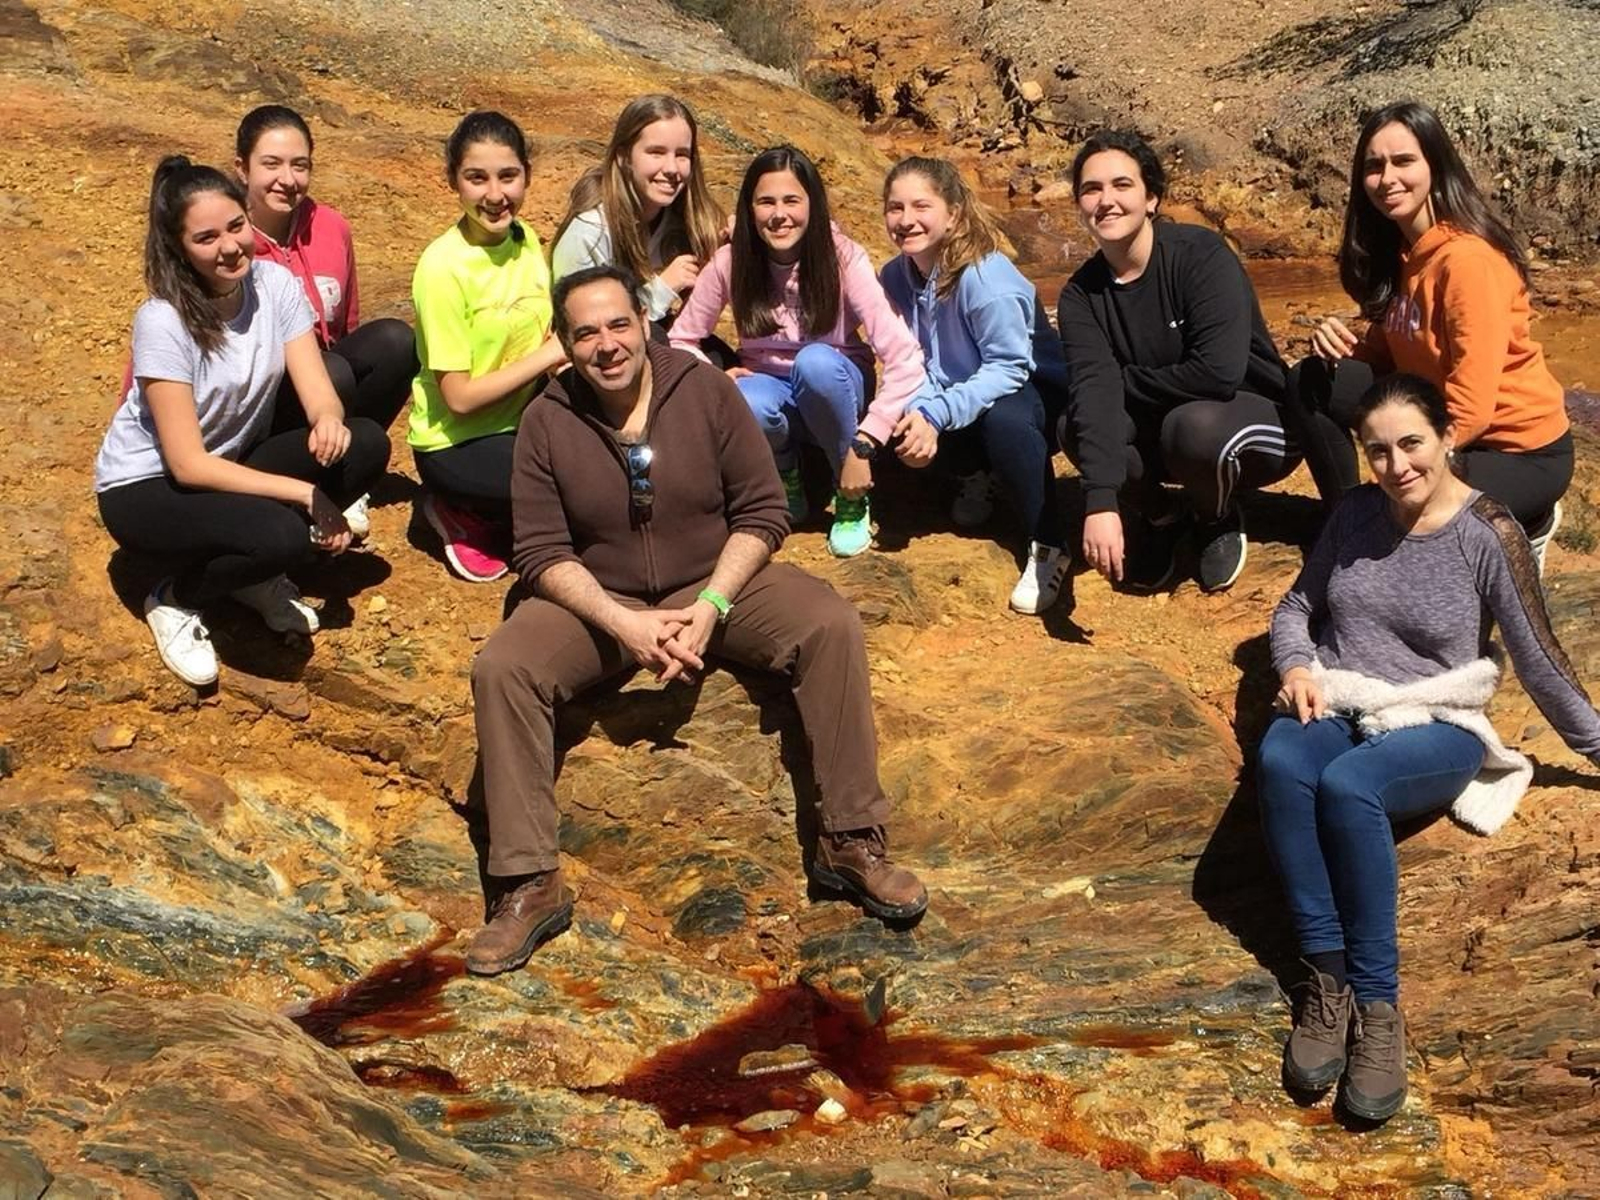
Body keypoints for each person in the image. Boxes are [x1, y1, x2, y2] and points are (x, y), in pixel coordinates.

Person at [466, 265, 929, 976]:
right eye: (585, 333)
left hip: (717, 581)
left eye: (618, 324)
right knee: (504, 668)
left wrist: (712, 605)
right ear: (564, 342)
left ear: (644, 323)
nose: (606, 345)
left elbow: (762, 511)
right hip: (602, 596)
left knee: (829, 624)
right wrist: (623, 624)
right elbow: (540, 552)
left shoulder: (703, 389)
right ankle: (529, 882)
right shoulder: (546, 420)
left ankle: (850, 839)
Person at [1258, 373, 1600, 1122]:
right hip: (1343, 692)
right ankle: (1328, 983)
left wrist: (1596, 745)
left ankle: (1379, 1010)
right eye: (1377, 451)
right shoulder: (1354, 513)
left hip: (1438, 717)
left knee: (1351, 787)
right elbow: (1296, 607)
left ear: (1448, 438)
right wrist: (1296, 667)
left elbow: (1538, 656)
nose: (1396, 465)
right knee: (1282, 762)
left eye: (1411, 443)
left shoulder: (1488, 533)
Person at [94, 156, 390, 686]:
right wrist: (306, 494)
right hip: (148, 486)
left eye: (236, 226)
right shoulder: (164, 320)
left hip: (228, 461)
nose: (230, 247)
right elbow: (187, 465)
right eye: (206, 238)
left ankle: (247, 575)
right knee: (282, 537)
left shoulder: (274, 284)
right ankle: (175, 597)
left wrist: (328, 419)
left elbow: (316, 385)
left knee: (364, 445)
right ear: (178, 247)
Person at [1285, 101, 1571, 569]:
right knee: (1310, 381)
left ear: (1435, 166)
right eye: (1374, 166)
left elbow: (1472, 407)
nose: (1387, 178)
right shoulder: (1405, 253)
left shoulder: (1467, 262)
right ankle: (1344, 520)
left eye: (1403, 161)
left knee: (1402, 508)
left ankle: (1531, 518)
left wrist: (1404, 466)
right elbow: (1389, 351)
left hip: (1518, 453)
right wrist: (1340, 346)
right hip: (1440, 422)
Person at [1057, 130, 1298, 594]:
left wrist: (1122, 382)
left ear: (1151, 198)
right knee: (1076, 424)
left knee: (1189, 426)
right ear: (1080, 205)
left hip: (1253, 424)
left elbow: (1218, 373)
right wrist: (1101, 501)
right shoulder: (1080, 296)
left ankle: (1215, 515)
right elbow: (1093, 388)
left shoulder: (1200, 255)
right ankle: (1162, 516)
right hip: (1164, 429)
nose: (1106, 200)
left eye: (1122, 185)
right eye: (1091, 189)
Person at [669, 145, 929, 558]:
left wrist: (866, 441)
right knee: (744, 397)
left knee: (815, 363)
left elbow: (905, 357)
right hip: (773, 393)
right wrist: (714, 378)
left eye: (792, 200)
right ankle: (785, 475)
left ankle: (849, 490)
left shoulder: (843, 258)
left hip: (836, 387)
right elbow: (681, 340)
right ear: (749, 207)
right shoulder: (731, 261)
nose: (779, 215)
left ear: (813, 204)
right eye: (766, 202)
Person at [880, 155, 1071, 615]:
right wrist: (920, 411)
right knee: (895, 417)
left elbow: (1008, 368)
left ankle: (1048, 541)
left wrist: (935, 414)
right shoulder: (894, 276)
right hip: (960, 389)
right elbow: (907, 357)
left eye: (921, 206)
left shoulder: (986, 280)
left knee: (1004, 421)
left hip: (1034, 394)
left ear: (953, 214)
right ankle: (977, 475)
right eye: (895, 207)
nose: (906, 220)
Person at [408, 111, 567, 583]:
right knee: (568, 487)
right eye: (477, 178)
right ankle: (457, 509)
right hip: (457, 441)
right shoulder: (442, 268)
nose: (495, 195)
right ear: (452, 180)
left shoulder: (525, 240)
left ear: (527, 176)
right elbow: (458, 398)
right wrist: (548, 356)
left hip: (522, 422)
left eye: (508, 176)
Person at [550, 94, 725, 330]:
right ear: (623, 157)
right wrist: (663, 288)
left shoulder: (684, 222)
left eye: (682, 155)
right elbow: (585, 327)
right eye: (656, 152)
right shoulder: (589, 234)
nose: (672, 168)